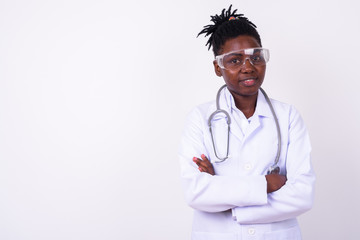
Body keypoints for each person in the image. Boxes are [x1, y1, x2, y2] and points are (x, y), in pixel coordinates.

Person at [178, 5, 315, 240]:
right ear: (217, 68)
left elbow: (303, 195)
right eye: (234, 60)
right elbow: (195, 192)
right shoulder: (199, 119)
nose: (248, 67)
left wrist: (225, 195)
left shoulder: (288, 117)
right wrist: (265, 184)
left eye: (256, 57)